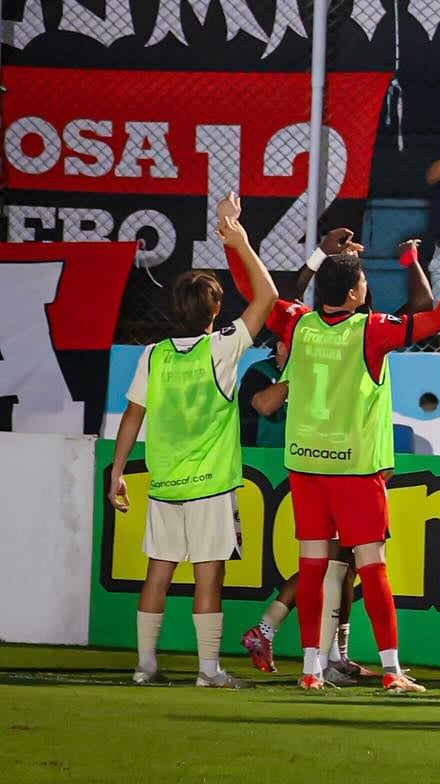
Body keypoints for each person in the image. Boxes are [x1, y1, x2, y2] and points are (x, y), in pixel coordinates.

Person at [226, 219, 440, 693]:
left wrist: (235, 241)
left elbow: (250, 288)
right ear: (351, 295)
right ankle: (391, 669)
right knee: (371, 566)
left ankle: (310, 669)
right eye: (362, 280)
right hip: (356, 469)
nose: (366, 284)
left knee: (312, 566)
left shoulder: (298, 322)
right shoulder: (371, 330)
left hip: (306, 465)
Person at [107, 193, 277, 688]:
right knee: (209, 575)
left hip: (164, 485)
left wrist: (117, 471)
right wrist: (239, 240)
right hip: (211, 487)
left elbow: (132, 417)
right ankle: (208, 670)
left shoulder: (154, 355)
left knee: (157, 573)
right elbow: (267, 297)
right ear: (216, 309)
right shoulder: (221, 350)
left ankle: (145, 666)